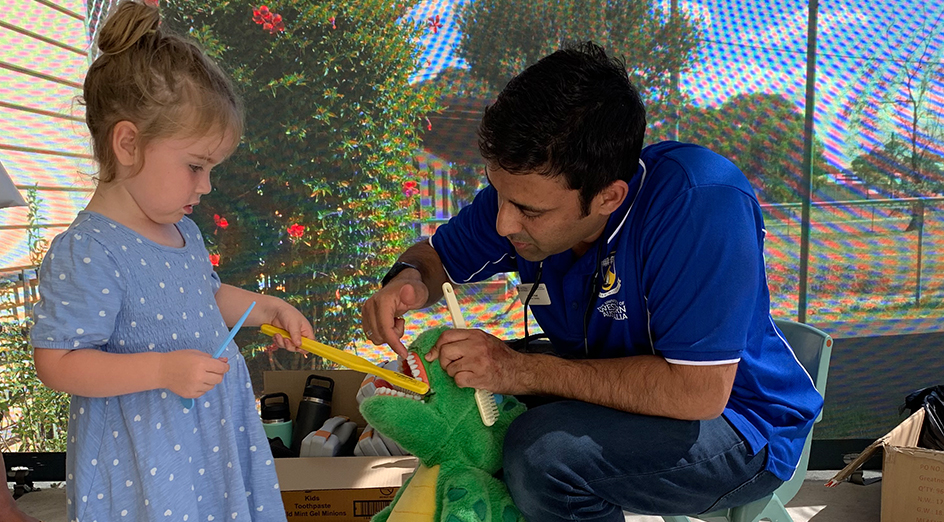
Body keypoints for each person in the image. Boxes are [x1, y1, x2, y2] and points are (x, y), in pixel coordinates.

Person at [361, 41, 824, 521]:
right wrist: (408, 279)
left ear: (608, 197)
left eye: (529, 211)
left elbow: (697, 393)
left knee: (543, 457)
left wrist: (517, 369)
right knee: (459, 396)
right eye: (499, 194)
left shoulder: (700, 202)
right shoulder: (524, 192)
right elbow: (436, 257)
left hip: (738, 425)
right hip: (630, 395)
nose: (503, 224)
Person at [29, 1, 312, 520]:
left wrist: (265, 308)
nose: (206, 186)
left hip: (208, 440)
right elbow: (57, 361)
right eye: (196, 166)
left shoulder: (182, 230)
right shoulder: (90, 250)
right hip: (147, 462)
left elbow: (202, 296)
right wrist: (161, 369)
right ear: (129, 143)